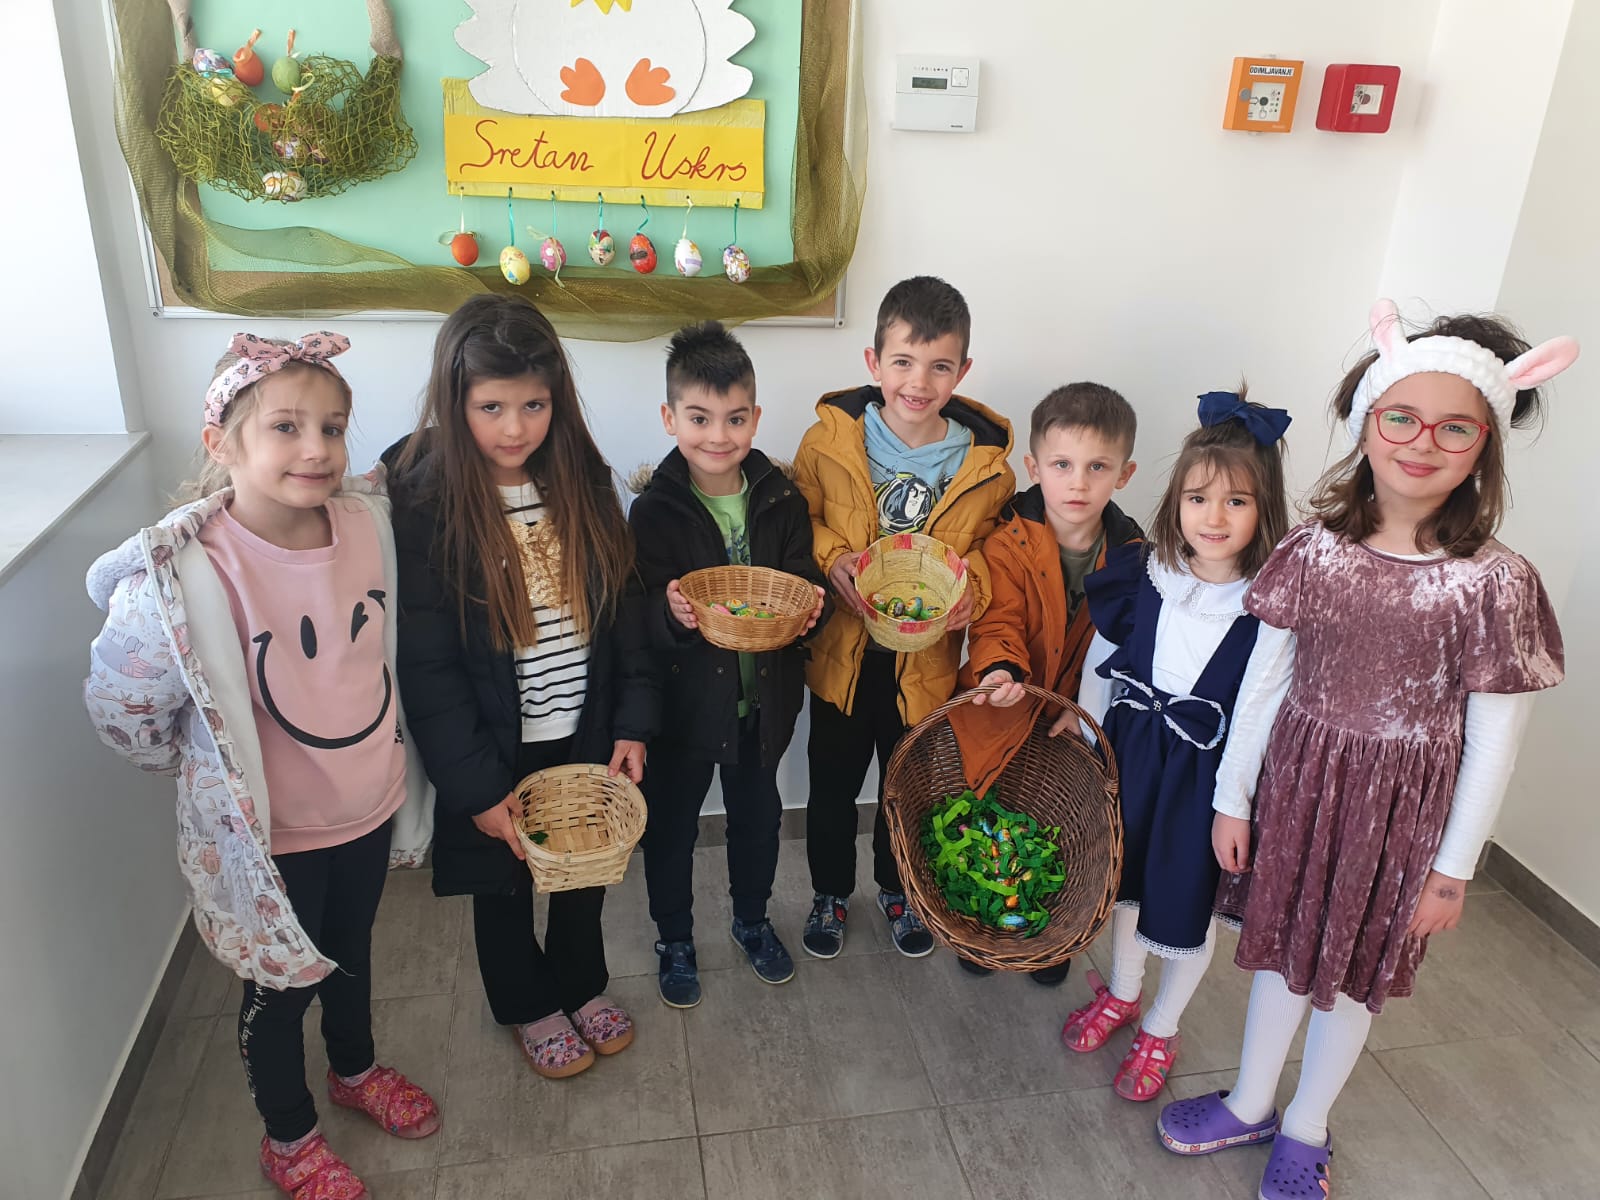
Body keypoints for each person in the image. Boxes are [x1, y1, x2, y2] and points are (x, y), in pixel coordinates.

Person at [1157, 302, 1572, 1200]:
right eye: (1402, 418)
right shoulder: (1314, 549)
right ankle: (1252, 1101)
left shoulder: (1495, 583)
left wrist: (1453, 870)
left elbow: (1494, 739)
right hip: (1299, 792)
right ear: (1367, 422)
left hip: (1399, 822)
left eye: (1454, 427)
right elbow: (1263, 683)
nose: (1423, 443)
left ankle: (1307, 1126)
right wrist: (1233, 797)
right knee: (1282, 954)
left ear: (1484, 447)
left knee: (1348, 978)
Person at [85, 332, 438, 1199]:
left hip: (366, 803)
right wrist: (195, 767)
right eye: (286, 427)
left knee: (350, 951)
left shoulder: (367, 524)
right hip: (271, 835)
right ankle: (289, 1135)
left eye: (333, 427)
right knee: (279, 988)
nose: (316, 448)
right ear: (222, 442)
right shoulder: (186, 573)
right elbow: (123, 701)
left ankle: (354, 1068)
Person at [387, 295, 657, 1081]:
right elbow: (428, 664)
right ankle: (526, 1003)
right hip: (493, 746)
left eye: (533, 405)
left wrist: (632, 722)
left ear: (557, 399)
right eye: (492, 408)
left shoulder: (584, 478)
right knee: (501, 883)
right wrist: (475, 787)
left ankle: (580, 984)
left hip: (585, 727)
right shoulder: (426, 504)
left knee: (583, 872)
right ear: (456, 402)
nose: (515, 428)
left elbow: (625, 608)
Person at [1062, 390, 1291, 1100]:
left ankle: (1163, 1025)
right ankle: (1124, 992)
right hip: (1132, 752)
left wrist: (1235, 803)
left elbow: (1261, 714)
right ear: (1176, 501)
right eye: (1198, 499)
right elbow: (1104, 656)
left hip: (1203, 776)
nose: (1213, 518)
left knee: (1184, 904)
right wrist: (1088, 735)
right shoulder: (1147, 572)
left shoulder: (1270, 606)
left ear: (1264, 510)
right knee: (1126, 887)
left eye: (1236, 502)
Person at [794, 275, 1015, 959]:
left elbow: (991, 552)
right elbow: (800, 520)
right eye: (903, 362)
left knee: (908, 787)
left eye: (939, 366)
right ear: (873, 362)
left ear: (963, 371)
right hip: (842, 654)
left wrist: (972, 590)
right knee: (831, 785)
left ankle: (898, 888)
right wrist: (832, 558)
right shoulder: (827, 442)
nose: (919, 382)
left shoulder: (987, 467)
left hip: (924, 665)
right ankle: (831, 892)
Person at [629, 320, 827, 1007]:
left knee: (756, 821)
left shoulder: (781, 496)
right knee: (672, 829)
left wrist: (814, 605)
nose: (719, 436)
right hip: (684, 709)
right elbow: (635, 611)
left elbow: (801, 578)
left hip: (761, 704)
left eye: (735, 419)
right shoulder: (654, 510)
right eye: (699, 418)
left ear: (755, 417)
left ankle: (751, 920)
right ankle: (674, 939)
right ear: (670, 418)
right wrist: (668, 614)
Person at [950, 380, 1143, 985]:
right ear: (1034, 468)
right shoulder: (1007, 540)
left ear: (1124, 474)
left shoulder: (1133, 555)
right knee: (993, 819)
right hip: (1005, 704)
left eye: (1097, 467)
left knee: (1064, 822)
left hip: (1075, 718)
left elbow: (1130, 646)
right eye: (1062, 465)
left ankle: (1052, 933)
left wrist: (1089, 707)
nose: (1078, 483)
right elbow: (997, 619)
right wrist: (1000, 669)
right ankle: (982, 924)